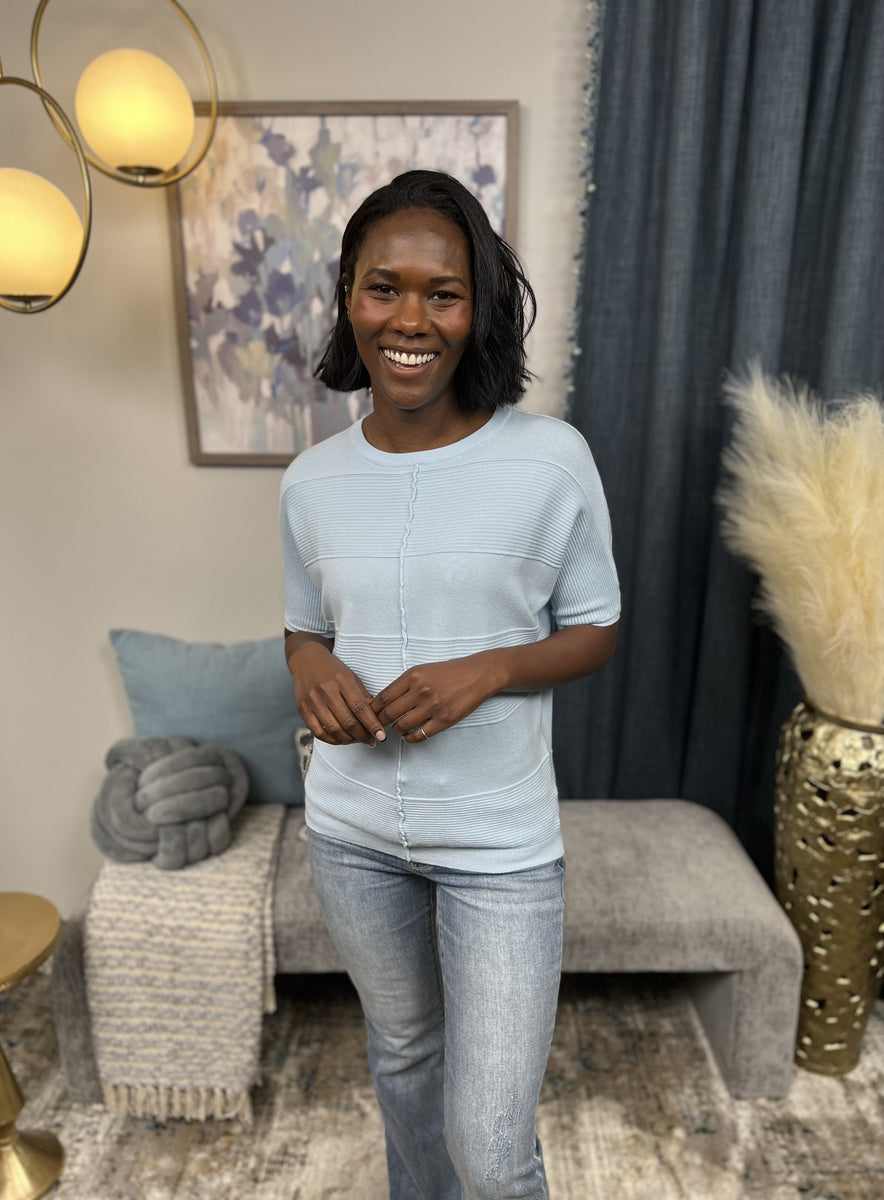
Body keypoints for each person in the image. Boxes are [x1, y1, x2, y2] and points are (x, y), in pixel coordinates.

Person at [279, 169, 620, 1200]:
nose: (410, 319)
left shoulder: (551, 459)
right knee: (403, 1057)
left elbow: (597, 629)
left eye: (444, 293)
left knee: (491, 1147)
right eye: (384, 287)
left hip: (500, 846)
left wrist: (492, 668)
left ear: (480, 309)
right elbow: (303, 626)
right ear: (349, 296)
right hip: (351, 834)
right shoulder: (311, 481)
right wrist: (308, 664)